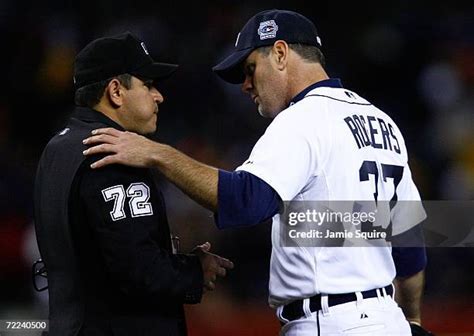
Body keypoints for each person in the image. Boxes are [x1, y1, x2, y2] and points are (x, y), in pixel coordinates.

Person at [83, 10, 432, 336]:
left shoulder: (303, 119)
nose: (245, 85)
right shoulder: (382, 122)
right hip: (387, 320)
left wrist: (158, 155)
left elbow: (247, 202)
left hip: (330, 321)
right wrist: (411, 318)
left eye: (249, 69)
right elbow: (410, 241)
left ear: (280, 53)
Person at [34, 32, 233, 336]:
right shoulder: (114, 152)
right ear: (115, 91)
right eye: (148, 84)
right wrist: (195, 270)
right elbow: (139, 271)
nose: (159, 96)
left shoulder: (57, 147)